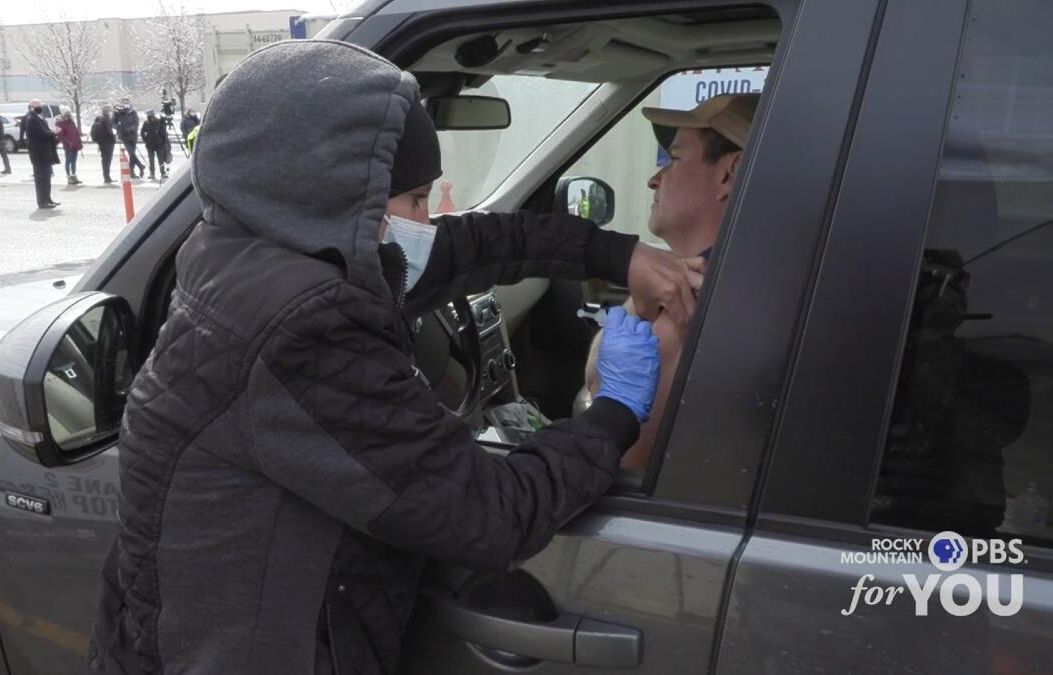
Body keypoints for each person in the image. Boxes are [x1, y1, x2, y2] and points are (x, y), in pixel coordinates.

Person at [88, 40, 701, 675]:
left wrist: (615, 255)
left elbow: (472, 245)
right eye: (414, 199)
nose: (426, 221)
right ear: (337, 196)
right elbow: (488, 515)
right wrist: (614, 411)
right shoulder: (303, 328)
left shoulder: (257, 251)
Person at [585, 93, 759, 470]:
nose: (654, 179)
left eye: (674, 159)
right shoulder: (752, 274)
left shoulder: (685, 313)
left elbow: (621, 466)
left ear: (729, 173)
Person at [24, 98, 60, 209]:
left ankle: (47, 199)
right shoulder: (31, 119)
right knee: (41, 179)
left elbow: (45, 131)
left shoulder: (39, 118)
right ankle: (42, 201)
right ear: (31, 107)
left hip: (45, 153)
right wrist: (52, 133)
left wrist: (53, 134)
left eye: (40, 106)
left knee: (46, 178)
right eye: (37, 106)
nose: (40, 108)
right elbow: (40, 134)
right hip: (39, 154)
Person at [114, 97, 146, 178]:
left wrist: (130, 128)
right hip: (124, 136)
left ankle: (132, 172)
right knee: (131, 153)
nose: (126, 105)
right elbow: (113, 123)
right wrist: (119, 127)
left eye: (127, 103)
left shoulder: (133, 113)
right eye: (124, 104)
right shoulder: (118, 113)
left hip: (133, 135)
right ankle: (140, 165)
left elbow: (136, 123)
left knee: (132, 154)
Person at [56, 106, 84, 185]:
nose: (68, 115)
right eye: (66, 113)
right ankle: (69, 177)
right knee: (68, 161)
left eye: (69, 113)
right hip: (68, 146)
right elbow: (60, 135)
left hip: (75, 144)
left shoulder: (71, 122)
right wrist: (68, 142)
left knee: (74, 161)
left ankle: (74, 176)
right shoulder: (60, 123)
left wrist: (79, 143)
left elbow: (76, 133)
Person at [90, 106, 118, 184]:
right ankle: (107, 177)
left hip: (101, 142)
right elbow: (109, 132)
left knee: (104, 160)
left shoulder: (98, 118)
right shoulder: (107, 120)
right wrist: (114, 137)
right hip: (108, 142)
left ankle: (106, 176)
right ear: (108, 112)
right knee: (107, 160)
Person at [140, 109, 168, 181]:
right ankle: (152, 173)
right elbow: (142, 132)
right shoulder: (146, 123)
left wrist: (163, 142)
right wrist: (145, 140)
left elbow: (163, 133)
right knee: (151, 159)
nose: (148, 117)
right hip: (150, 144)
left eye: (149, 115)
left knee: (160, 159)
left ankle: (162, 172)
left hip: (158, 144)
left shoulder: (159, 122)